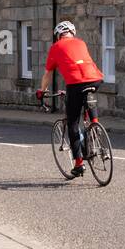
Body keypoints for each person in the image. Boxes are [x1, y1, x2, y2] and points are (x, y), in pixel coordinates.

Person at [36, 20, 103, 178]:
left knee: (73, 122)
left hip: (75, 84)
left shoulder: (56, 47)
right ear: (72, 33)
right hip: (96, 80)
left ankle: (79, 164)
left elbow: (48, 74)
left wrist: (41, 91)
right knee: (88, 98)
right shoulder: (81, 42)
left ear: (59, 35)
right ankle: (94, 124)